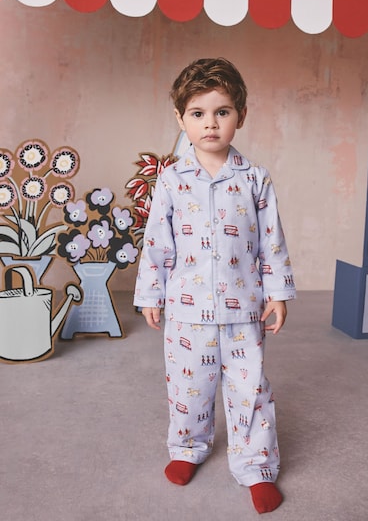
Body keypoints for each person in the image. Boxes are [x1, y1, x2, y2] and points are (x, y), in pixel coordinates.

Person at [134, 58, 296, 514]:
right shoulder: (171, 180)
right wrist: (151, 294)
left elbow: (271, 240)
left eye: (222, 112)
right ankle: (188, 447)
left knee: (251, 391)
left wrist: (278, 293)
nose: (210, 123)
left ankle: (257, 466)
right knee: (189, 389)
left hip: (244, 309)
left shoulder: (255, 178)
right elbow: (157, 243)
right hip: (187, 314)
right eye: (198, 113)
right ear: (180, 118)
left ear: (240, 115)